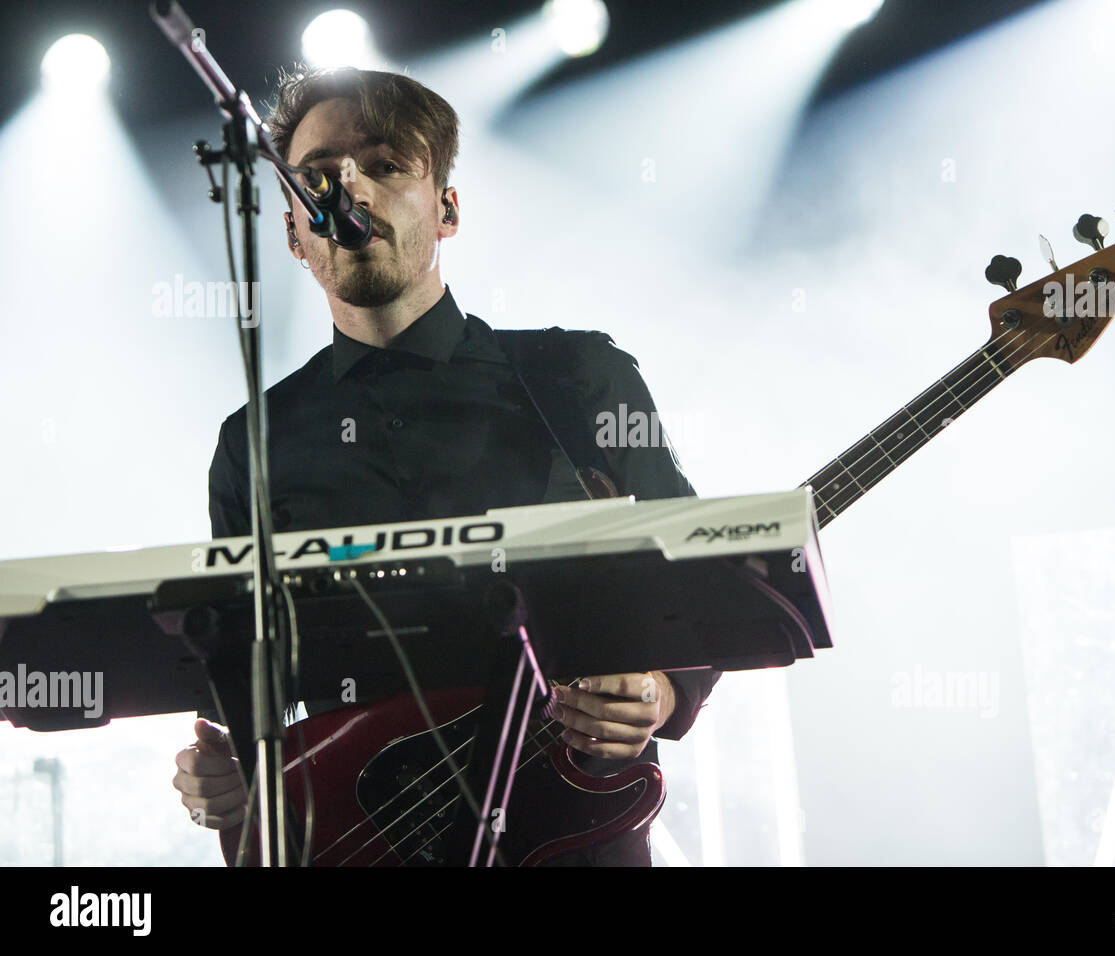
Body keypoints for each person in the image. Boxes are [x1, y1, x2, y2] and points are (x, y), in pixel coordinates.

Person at [172, 66, 720, 866]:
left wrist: (665, 689)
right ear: (295, 233)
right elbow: (248, 688)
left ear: (447, 209)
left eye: (387, 164)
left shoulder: (580, 377)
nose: (348, 187)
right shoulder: (251, 442)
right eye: (319, 176)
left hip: (574, 825)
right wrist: (233, 786)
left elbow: (699, 576)